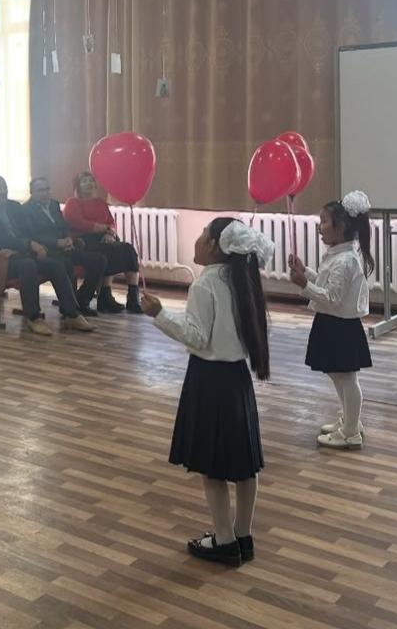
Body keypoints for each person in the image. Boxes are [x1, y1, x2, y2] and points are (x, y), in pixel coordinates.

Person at [140, 217, 271, 567]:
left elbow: (197, 338)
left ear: (214, 245)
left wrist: (159, 314)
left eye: (202, 234)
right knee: (245, 465)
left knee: (212, 467)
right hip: (237, 380)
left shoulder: (205, 284)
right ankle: (243, 536)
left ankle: (224, 541)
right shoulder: (242, 279)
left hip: (209, 380)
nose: (197, 240)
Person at [287, 191, 375, 449]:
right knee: (339, 377)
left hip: (341, 326)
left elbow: (332, 297)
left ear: (342, 227)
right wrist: (305, 273)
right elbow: (326, 284)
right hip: (331, 323)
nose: (320, 227)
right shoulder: (338, 256)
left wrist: (304, 285)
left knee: (347, 379)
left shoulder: (345, 261)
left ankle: (351, 433)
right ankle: (350, 421)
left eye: (324, 221)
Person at [0, 176, 93, 335]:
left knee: (56, 264)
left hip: (22, 253)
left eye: (4, 187)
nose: (3, 191)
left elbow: (28, 231)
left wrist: (29, 245)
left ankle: (71, 314)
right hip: (0, 260)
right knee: (28, 265)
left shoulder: (14, 207)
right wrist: (26, 244)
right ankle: (33, 317)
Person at [22, 177, 107, 318]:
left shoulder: (54, 204)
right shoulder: (26, 210)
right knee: (65, 263)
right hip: (48, 250)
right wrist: (56, 243)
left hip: (65, 247)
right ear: (32, 192)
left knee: (99, 260)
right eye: (40, 190)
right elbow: (33, 236)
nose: (45, 193)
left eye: (47, 189)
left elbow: (64, 225)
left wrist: (68, 239)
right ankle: (69, 308)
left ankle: (82, 300)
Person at [63, 171, 143, 314]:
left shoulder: (100, 202)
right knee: (108, 252)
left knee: (128, 249)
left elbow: (111, 222)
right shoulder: (72, 202)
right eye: (85, 181)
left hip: (103, 238)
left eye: (91, 180)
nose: (89, 183)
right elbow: (81, 224)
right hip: (82, 241)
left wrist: (110, 233)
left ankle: (133, 298)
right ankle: (104, 297)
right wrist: (105, 229)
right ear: (78, 186)